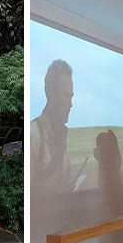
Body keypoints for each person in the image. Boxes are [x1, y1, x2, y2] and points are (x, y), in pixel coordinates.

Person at [30, 59, 74, 194]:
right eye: (66, 96)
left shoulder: (61, 136)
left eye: (71, 97)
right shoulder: (33, 135)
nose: (71, 104)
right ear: (50, 92)